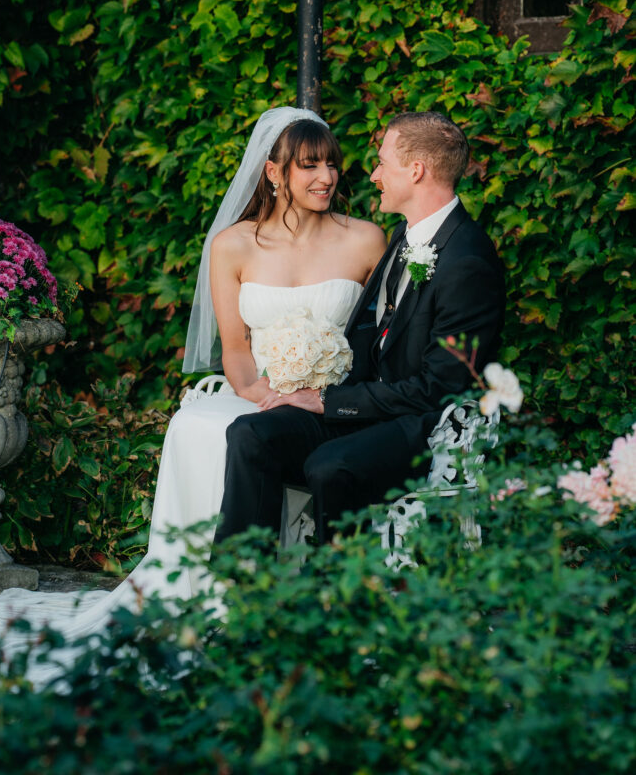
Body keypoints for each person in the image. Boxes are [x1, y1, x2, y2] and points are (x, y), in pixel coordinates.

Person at [0, 106, 386, 682]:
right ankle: (211, 594)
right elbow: (234, 349)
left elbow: (382, 337)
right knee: (201, 427)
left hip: (333, 399)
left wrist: (327, 392)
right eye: (309, 165)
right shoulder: (233, 246)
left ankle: (272, 595)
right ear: (274, 173)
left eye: (331, 164)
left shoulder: (366, 240)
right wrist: (258, 391)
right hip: (260, 393)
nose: (326, 177)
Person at [214, 110, 506, 546]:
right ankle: (245, 589)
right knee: (251, 434)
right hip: (373, 406)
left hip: (420, 422)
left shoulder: (466, 260)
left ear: (416, 170)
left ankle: (339, 593)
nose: (372, 175)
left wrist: (328, 400)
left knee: (330, 465)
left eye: (383, 163)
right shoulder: (405, 238)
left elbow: (438, 389)